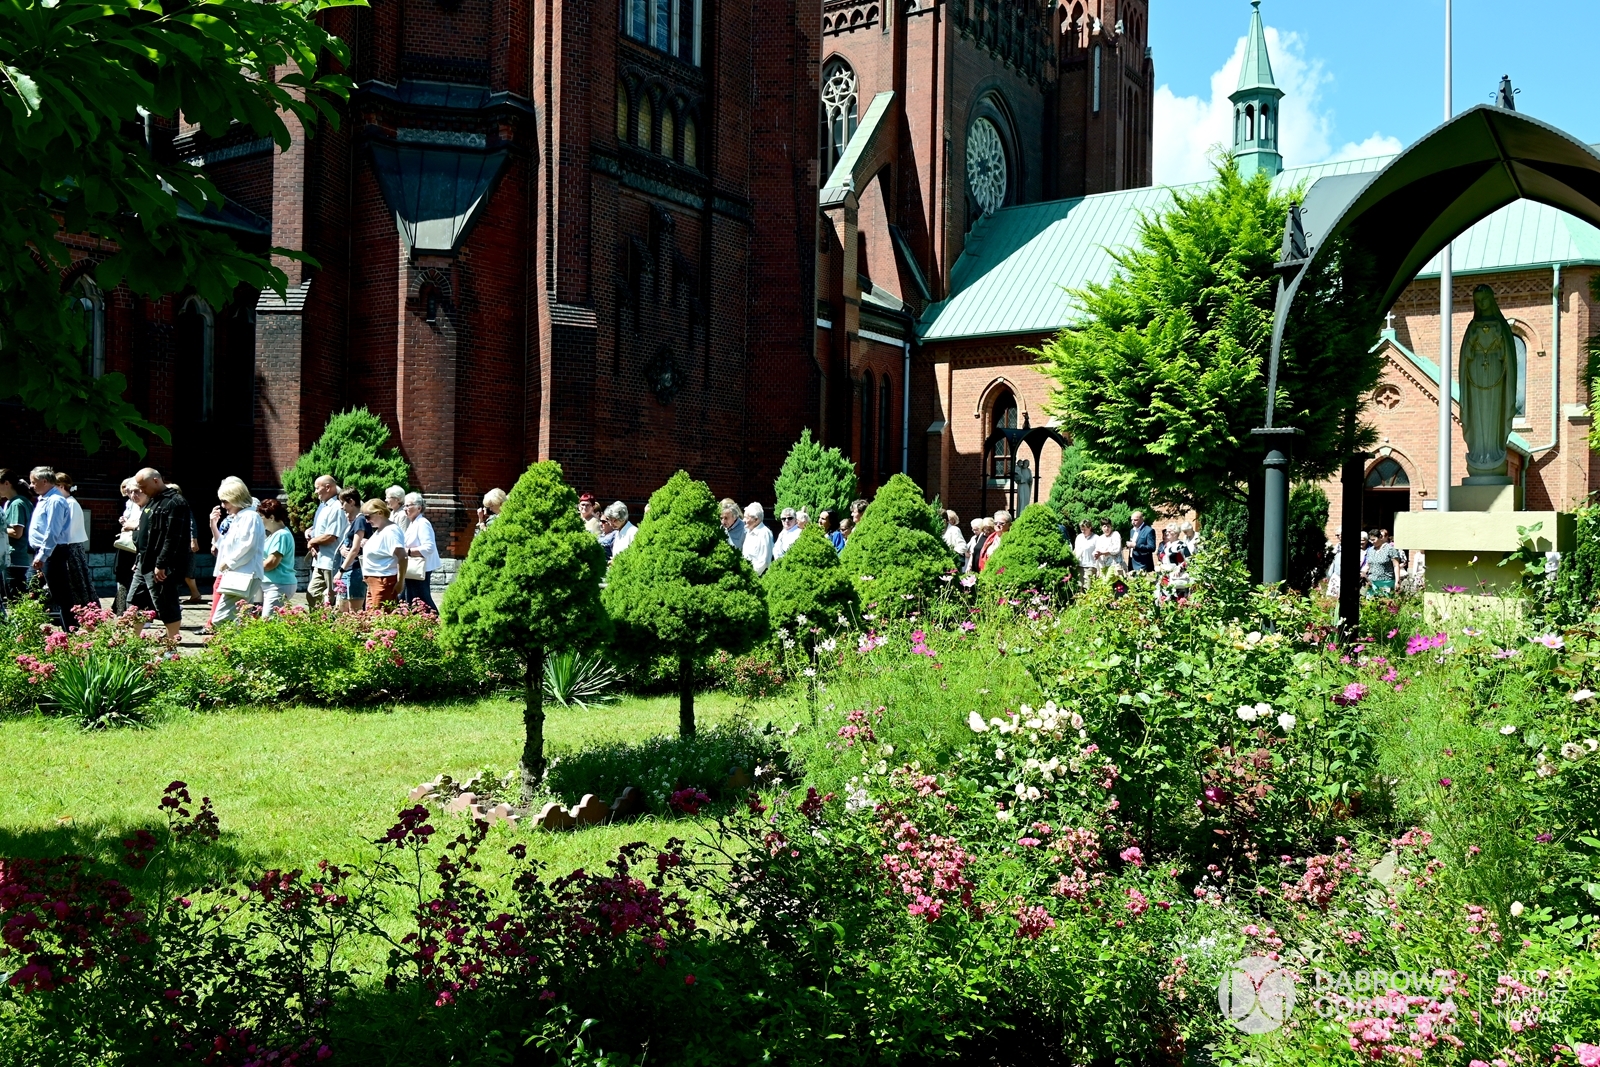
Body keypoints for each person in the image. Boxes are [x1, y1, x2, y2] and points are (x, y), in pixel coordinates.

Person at [27, 466, 96, 627]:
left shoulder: (55, 501)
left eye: (34, 482)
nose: (31, 485)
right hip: (44, 551)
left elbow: (53, 531)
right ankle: (51, 623)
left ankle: (72, 629)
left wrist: (43, 555)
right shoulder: (45, 498)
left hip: (52, 552)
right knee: (34, 585)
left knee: (60, 594)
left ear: (45, 481)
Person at [129, 469, 192, 642]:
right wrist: (139, 558)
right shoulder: (153, 501)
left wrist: (162, 563)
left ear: (156, 480)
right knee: (134, 601)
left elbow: (173, 537)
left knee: (166, 604)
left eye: (143, 486)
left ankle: (171, 646)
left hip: (161, 565)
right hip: (144, 562)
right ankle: (133, 642)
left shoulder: (175, 503)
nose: (141, 490)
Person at [208, 476, 264, 628]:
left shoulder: (249, 517)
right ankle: (240, 642)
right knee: (239, 619)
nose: (223, 505)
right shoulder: (240, 517)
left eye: (225, 501)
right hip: (239, 574)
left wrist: (229, 562)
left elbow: (248, 546)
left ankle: (232, 642)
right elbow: (226, 545)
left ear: (236, 498)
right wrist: (213, 525)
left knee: (220, 619)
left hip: (245, 575)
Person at [304, 475, 347, 608]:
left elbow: (331, 536)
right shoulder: (323, 506)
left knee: (332, 598)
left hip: (331, 561)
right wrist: (310, 535)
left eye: (317, 488)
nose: (315, 491)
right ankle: (318, 619)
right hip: (319, 560)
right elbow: (319, 529)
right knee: (312, 593)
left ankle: (330, 620)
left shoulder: (336, 507)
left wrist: (312, 542)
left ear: (328, 487)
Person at [359, 499, 407, 609]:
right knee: (372, 616)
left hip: (383, 581)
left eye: (368, 517)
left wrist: (400, 582)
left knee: (380, 616)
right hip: (374, 581)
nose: (366, 521)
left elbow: (403, 557)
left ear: (380, 513)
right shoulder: (381, 530)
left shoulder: (391, 531)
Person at [258, 498, 298, 618]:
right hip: (272, 585)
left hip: (278, 585)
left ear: (271, 517)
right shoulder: (274, 535)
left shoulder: (281, 535)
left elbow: (271, 564)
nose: (259, 520)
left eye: (261, 516)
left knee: (268, 620)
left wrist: (252, 565)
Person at [401, 492, 441, 610]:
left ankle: (434, 618)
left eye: (408, 505)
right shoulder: (414, 523)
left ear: (419, 508)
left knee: (421, 600)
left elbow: (429, 547)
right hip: (413, 568)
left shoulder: (423, 523)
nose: (405, 509)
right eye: (404, 506)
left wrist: (407, 551)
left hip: (420, 569)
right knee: (411, 599)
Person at [333, 489, 370, 613]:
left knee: (354, 612)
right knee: (342, 611)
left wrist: (340, 570)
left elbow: (355, 548)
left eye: (342, 503)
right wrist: (343, 548)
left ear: (351, 502)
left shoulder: (361, 520)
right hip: (348, 570)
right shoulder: (356, 520)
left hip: (355, 570)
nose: (342, 507)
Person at [112, 478, 145, 615]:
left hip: (139, 548)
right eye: (130, 492)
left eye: (136, 491)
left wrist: (133, 526)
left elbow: (146, 526)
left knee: (137, 582)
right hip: (126, 546)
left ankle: (138, 613)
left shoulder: (149, 506)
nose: (133, 495)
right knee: (122, 578)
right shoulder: (131, 504)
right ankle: (122, 612)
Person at [0, 470, 34, 599]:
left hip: (15, 559)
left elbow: (17, 532)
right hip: (15, 559)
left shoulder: (17, 503)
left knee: (14, 600)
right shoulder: (15, 502)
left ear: (7, 483)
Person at [54, 474, 90, 551]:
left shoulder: (71, 503)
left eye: (53, 487)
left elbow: (68, 530)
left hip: (70, 548)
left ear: (61, 486)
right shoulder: (64, 502)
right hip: (63, 546)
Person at [742, 502, 774, 574]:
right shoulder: (749, 531)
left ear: (756, 520)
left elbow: (764, 562)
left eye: (746, 517)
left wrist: (751, 576)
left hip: (757, 576)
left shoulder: (764, 533)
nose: (743, 520)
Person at [1073, 519, 1098, 587]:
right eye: (1081, 529)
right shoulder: (1079, 537)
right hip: (1079, 565)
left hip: (1090, 566)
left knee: (1088, 587)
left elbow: (1099, 553)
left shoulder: (1096, 538)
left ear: (1090, 528)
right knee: (1078, 586)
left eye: (1085, 529)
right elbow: (1075, 550)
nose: (1083, 531)